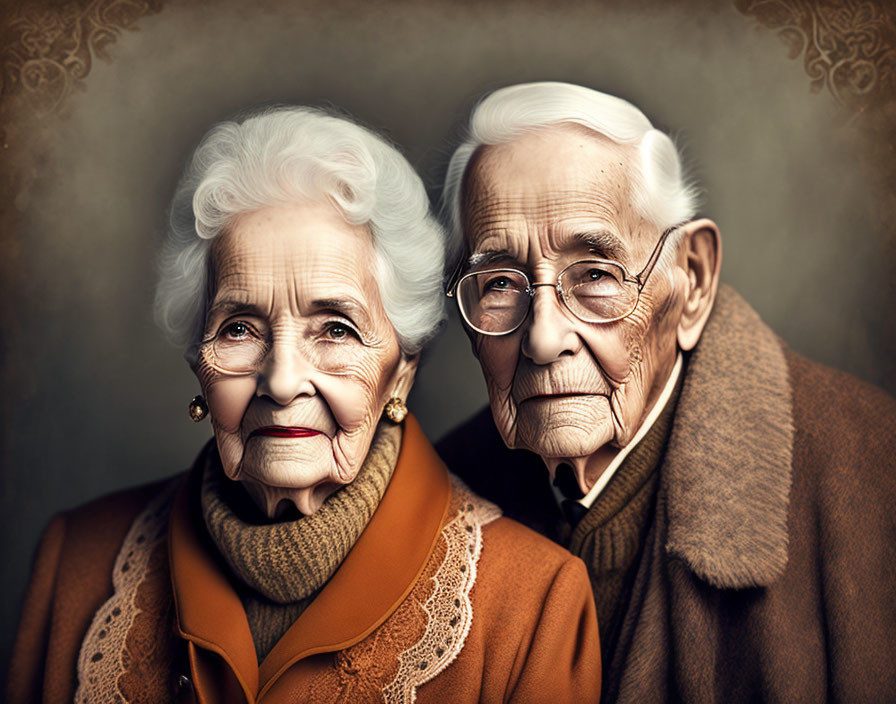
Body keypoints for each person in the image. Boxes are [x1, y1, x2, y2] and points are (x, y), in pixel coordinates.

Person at [7, 106, 601, 703]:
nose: (283, 382)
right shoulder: (75, 563)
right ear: (198, 362)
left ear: (400, 373)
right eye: (239, 328)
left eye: (336, 329)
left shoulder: (534, 605)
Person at [436, 81, 896, 702]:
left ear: (692, 281)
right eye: (498, 283)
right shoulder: (441, 492)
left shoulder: (874, 473)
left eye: (595, 273)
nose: (543, 338)